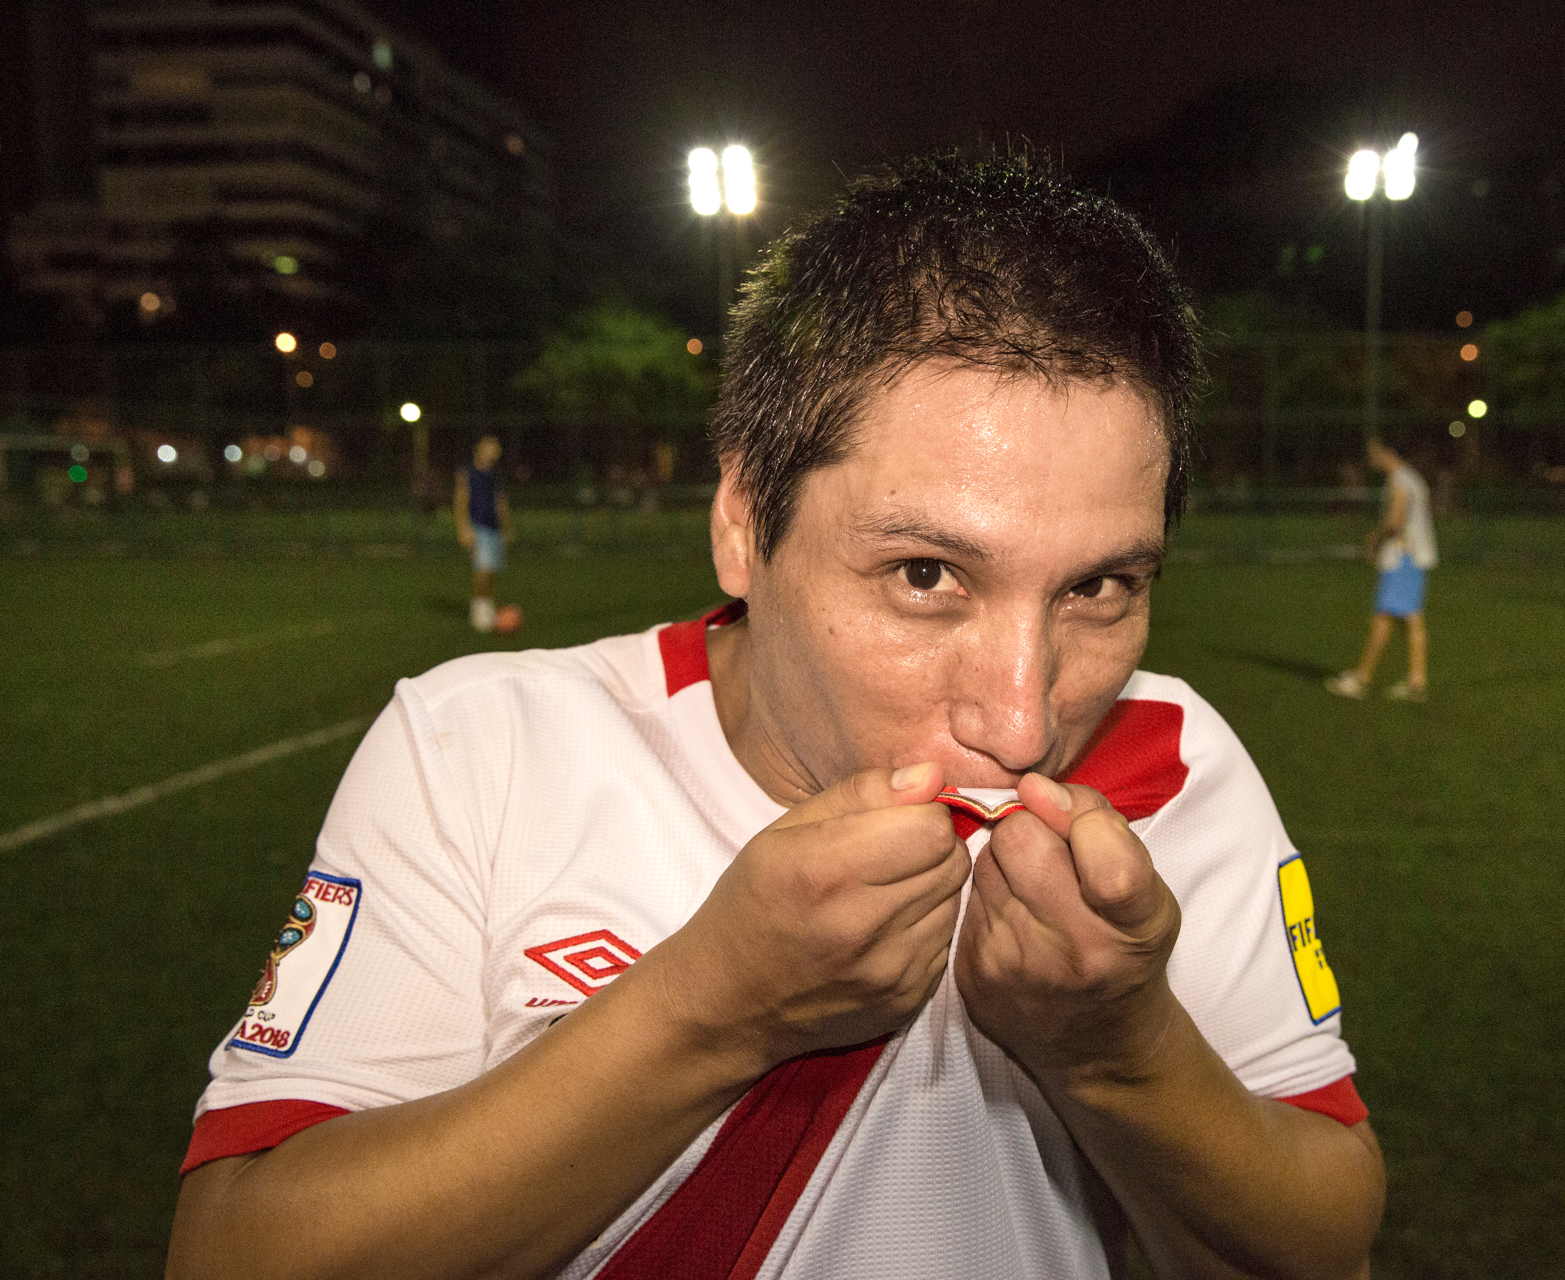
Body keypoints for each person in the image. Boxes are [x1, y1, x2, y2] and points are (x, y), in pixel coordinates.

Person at [168, 155, 1384, 1280]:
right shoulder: (481, 748)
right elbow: (231, 1250)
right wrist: (711, 1006)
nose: (1022, 720)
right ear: (745, 522)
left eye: (1099, 587)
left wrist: (1123, 1054)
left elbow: (1327, 1233)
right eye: (925, 575)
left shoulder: (1171, 764)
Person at [1327, 437, 1437, 702]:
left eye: (1375, 451)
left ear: (1389, 451)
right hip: (1415, 556)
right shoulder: (1413, 477)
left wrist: (1374, 539)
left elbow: (1397, 521)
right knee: (1410, 618)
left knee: (1384, 615)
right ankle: (1416, 683)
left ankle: (1362, 678)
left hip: (1403, 557)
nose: (1371, 457)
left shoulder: (1399, 479)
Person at [453, 435, 513, 632]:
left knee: (490, 570)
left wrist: (506, 528)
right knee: (482, 569)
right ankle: (479, 612)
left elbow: (500, 502)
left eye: (496, 449)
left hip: (494, 527)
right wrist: (463, 527)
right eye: (490, 448)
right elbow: (461, 500)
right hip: (478, 526)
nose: (494, 452)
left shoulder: (494, 475)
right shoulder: (468, 473)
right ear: (479, 449)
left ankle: (486, 608)